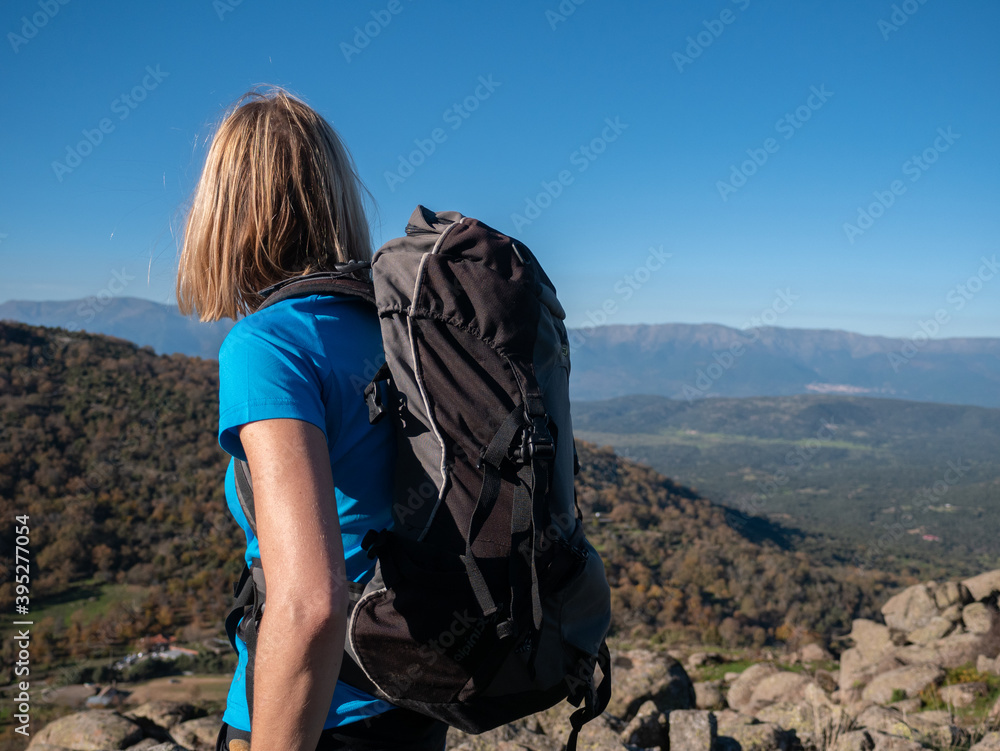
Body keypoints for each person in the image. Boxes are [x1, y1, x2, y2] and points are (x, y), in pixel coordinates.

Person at [175, 88, 449, 751]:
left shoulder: (267, 345)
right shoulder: (392, 329)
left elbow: (310, 602)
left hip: (319, 716)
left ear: (226, 210)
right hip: (413, 699)